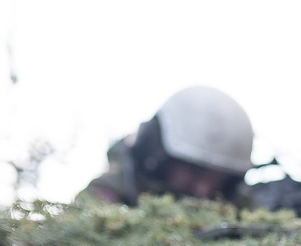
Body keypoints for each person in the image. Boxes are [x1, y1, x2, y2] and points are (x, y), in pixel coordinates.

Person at [82, 85, 256, 206]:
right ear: (160, 158)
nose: (203, 190)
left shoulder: (238, 207)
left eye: (217, 179)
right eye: (195, 173)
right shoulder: (107, 195)